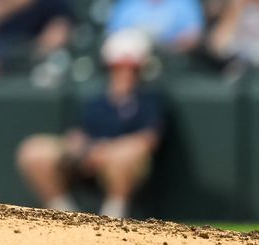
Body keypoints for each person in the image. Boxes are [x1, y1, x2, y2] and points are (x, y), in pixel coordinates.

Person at [16, 30, 163, 218]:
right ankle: (64, 214)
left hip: (122, 165)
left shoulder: (149, 100)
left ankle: (113, 217)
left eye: (130, 68)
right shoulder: (96, 100)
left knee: (127, 154)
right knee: (34, 150)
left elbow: (148, 140)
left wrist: (105, 152)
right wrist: (81, 149)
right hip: (87, 158)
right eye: (118, 67)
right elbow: (78, 133)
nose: (124, 74)